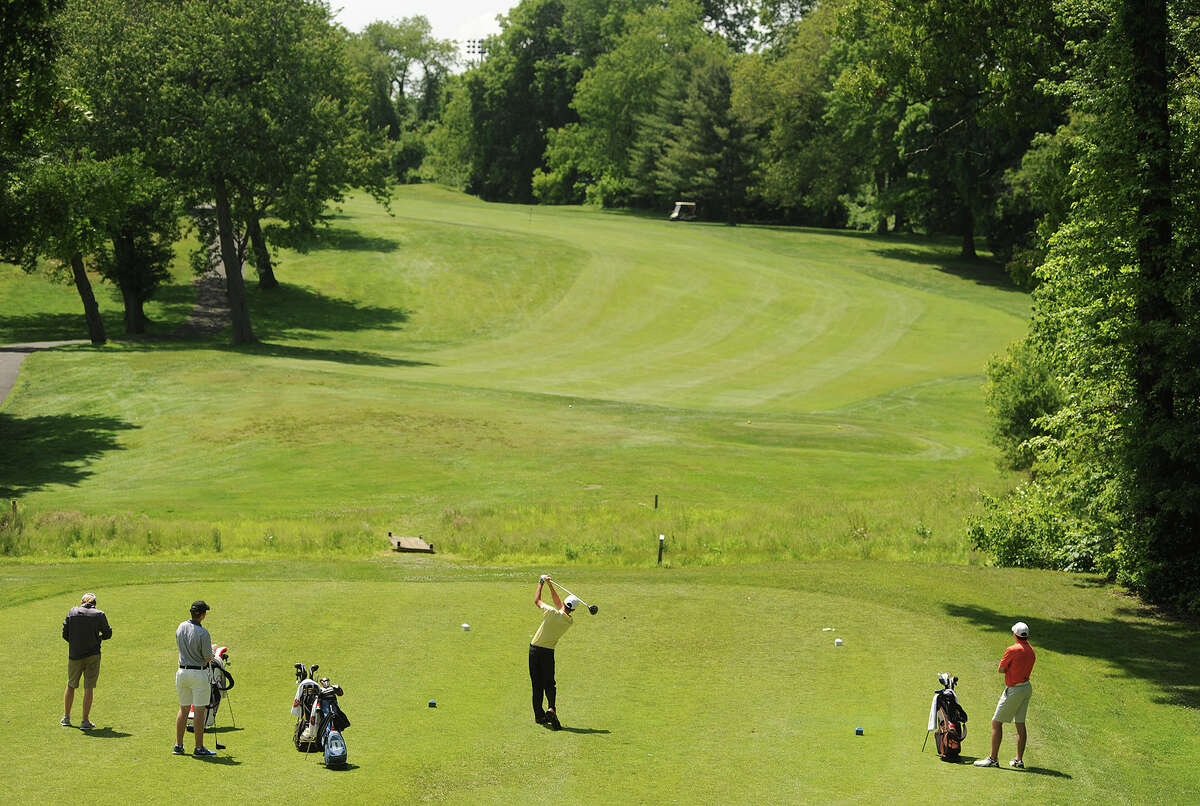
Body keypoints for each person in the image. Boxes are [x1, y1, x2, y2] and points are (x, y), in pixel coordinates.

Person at [974, 621, 1037, 769]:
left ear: (1015, 635)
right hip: (1026, 688)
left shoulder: (1012, 649)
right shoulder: (1031, 650)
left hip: (1014, 689)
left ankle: (993, 758)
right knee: (1020, 723)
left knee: (996, 722)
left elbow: (1001, 669)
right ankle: (1018, 760)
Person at [529, 575, 578, 730]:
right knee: (549, 683)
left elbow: (537, 600)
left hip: (535, 651)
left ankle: (539, 716)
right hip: (548, 653)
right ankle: (551, 708)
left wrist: (542, 583)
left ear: (564, 603)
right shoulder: (568, 621)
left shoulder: (551, 612)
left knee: (537, 685)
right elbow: (560, 606)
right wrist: (550, 585)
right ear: (573, 609)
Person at [61, 592, 112, 730]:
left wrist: (75, 643)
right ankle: (84, 721)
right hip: (93, 655)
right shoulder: (99, 614)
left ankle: (66, 717)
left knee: (71, 684)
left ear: (82, 601)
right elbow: (108, 634)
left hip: (74, 655)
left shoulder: (72, 612)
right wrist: (98, 638)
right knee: (88, 687)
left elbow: (65, 633)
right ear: (94, 603)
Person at [175, 600, 217, 757]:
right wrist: (212, 651)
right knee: (199, 711)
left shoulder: (181, 626)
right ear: (203, 615)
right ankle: (199, 747)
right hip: (198, 674)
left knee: (183, 708)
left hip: (182, 673)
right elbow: (207, 658)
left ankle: (178, 745)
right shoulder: (203, 633)